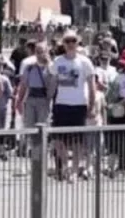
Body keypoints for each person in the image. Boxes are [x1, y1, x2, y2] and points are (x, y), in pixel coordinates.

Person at [48, 31, 96, 182]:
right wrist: (48, 100)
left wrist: (92, 105)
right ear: (63, 43)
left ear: (77, 43)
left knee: (77, 141)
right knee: (57, 140)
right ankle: (66, 166)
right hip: (61, 104)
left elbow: (92, 85)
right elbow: (53, 83)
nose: (70, 44)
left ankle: (74, 171)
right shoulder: (58, 61)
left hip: (79, 104)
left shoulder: (85, 62)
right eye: (67, 41)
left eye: (73, 41)